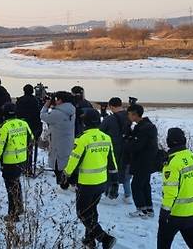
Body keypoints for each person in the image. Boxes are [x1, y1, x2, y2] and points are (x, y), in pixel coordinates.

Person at [61, 109, 118, 249]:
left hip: (86, 183)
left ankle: (104, 238)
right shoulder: (106, 137)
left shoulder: (82, 139)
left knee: (82, 212)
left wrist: (65, 176)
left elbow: (74, 160)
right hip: (101, 181)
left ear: (84, 122)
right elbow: (112, 160)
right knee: (92, 210)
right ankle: (88, 239)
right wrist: (115, 180)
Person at [158, 128, 193, 249]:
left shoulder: (172, 163)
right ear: (184, 140)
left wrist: (164, 214)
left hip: (176, 214)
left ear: (168, 142)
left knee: (163, 244)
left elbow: (170, 192)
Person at [0, 103, 34, 222]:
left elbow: (0, 146)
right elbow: (31, 139)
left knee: (11, 189)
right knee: (17, 184)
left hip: (9, 163)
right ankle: (19, 208)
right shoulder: (23, 123)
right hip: (22, 159)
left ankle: (13, 215)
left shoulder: (4, 127)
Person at [125, 103, 159, 218]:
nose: (128, 116)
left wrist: (127, 142)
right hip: (148, 161)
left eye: (129, 114)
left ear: (135, 115)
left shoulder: (144, 128)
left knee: (136, 185)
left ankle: (141, 209)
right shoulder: (147, 126)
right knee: (145, 185)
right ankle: (149, 209)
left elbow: (136, 146)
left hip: (142, 162)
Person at [100, 97, 131, 204]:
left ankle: (111, 195)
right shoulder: (129, 115)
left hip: (113, 148)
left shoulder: (110, 119)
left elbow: (101, 131)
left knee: (111, 171)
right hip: (126, 147)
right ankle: (128, 195)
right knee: (125, 171)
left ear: (111, 106)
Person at [40, 91, 75, 184]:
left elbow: (43, 116)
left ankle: (63, 184)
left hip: (58, 143)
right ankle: (67, 182)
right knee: (66, 162)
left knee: (58, 165)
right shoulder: (71, 110)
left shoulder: (58, 113)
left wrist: (46, 106)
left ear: (60, 100)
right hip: (68, 141)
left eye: (56, 99)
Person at [15, 84, 43, 175]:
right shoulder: (36, 101)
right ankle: (28, 168)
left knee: (22, 148)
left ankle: (22, 167)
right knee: (30, 148)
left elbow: (17, 114)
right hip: (34, 127)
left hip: (21, 127)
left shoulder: (20, 101)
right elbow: (39, 113)